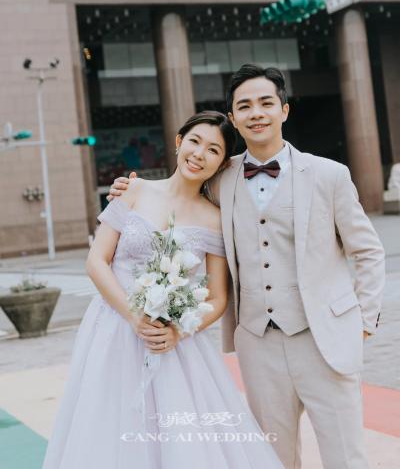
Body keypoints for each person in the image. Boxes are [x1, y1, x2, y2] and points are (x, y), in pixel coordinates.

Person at [109, 64, 386, 469]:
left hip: (325, 339)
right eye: (244, 106)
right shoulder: (219, 179)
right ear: (234, 118)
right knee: (271, 458)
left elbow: (368, 252)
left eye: (265, 103)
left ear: (284, 110)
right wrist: (131, 188)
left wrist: (362, 324)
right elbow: (177, 194)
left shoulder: (329, 175)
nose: (256, 113)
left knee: (346, 458)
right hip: (258, 344)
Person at [42, 110, 284, 469]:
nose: (199, 154)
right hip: (112, 329)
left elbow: (218, 298)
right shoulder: (134, 190)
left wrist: (177, 331)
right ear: (178, 142)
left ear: (221, 163)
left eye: (213, 150)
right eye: (194, 142)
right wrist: (134, 316)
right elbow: (96, 261)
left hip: (173, 341)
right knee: (108, 427)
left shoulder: (214, 217)